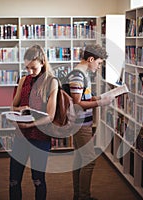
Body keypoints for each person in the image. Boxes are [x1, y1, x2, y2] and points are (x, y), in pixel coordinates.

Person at [9, 44, 58, 200]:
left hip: (40, 137)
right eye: (27, 68)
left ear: (42, 62)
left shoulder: (51, 82)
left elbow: (50, 116)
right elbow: (13, 105)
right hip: (21, 136)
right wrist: (19, 109)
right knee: (13, 180)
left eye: (33, 68)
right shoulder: (24, 80)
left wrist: (30, 124)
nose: (30, 72)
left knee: (38, 180)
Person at [69, 44, 112, 200]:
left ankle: (78, 195)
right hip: (80, 124)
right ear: (91, 59)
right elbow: (78, 103)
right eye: (99, 63)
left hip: (82, 123)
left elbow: (83, 98)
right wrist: (100, 103)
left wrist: (97, 98)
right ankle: (84, 196)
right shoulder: (78, 75)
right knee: (89, 160)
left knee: (80, 159)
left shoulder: (82, 74)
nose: (99, 67)